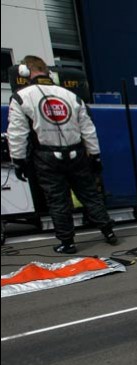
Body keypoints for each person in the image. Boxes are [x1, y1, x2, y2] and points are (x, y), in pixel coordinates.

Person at [7, 55, 117, 253]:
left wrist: (18, 160)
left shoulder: (21, 97)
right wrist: (95, 155)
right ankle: (108, 231)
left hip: (46, 157)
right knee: (90, 194)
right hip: (77, 153)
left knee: (58, 200)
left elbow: (17, 133)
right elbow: (88, 129)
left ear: (24, 72)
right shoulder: (71, 96)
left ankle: (67, 242)